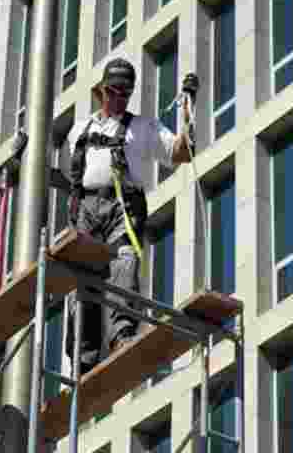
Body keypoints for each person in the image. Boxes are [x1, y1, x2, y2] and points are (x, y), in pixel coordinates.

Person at [63, 57, 198, 376]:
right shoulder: (79, 129)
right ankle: (83, 356)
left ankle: (122, 335)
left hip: (122, 205)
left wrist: (190, 109)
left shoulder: (142, 127)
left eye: (126, 92)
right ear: (102, 92)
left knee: (124, 263)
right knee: (82, 281)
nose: (120, 98)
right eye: (114, 91)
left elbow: (179, 152)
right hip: (85, 209)